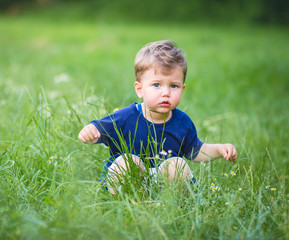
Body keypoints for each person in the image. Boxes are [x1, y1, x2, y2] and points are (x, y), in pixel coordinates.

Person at [78, 40, 237, 194]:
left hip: (162, 181)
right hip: (127, 180)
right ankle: (124, 201)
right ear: (139, 89)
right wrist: (90, 132)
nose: (166, 92)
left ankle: (173, 205)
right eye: (156, 85)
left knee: (177, 164)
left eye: (173, 86)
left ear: (182, 89)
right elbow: (99, 130)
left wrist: (219, 149)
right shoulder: (125, 117)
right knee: (129, 163)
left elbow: (195, 151)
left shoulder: (182, 123)